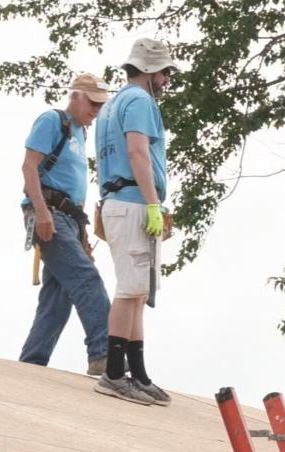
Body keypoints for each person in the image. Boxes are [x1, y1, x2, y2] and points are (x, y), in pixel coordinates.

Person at [92, 39, 178, 406]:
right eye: (165, 73)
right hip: (133, 201)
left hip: (119, 199)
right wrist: (153, 203)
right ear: (150, 71)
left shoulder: (113, 104)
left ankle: (137, 373)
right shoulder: (141, 101)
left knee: (139, 290)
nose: (167, 80)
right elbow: (138, 150)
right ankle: (114, 373)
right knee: (130, 290)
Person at [20, 73, 113, 375]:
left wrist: (83, 235)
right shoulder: (52, 120)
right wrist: (41, 211)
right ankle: (104, 354)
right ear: (76, 96)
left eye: (101, 106)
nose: (96, 111)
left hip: (70, 219)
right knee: (87, 279)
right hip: (49, 213)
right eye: (93, 103)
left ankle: (32, 361)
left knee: (57, 296)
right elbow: (29, 166)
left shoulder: (80, 133)